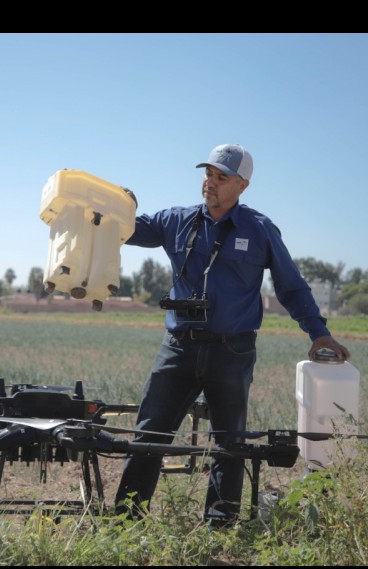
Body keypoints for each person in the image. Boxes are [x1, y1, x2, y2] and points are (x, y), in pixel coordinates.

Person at [114, 143, 350, 528]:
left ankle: (220, 527)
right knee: (148, 437)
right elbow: (123, 229)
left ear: (242, 185)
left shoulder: (260, 230)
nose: (210, 182)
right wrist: (108, 206)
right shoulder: (175, 220)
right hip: (178, 348)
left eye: (221, 177)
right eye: (208, 174)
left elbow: (291, 287)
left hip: (232, 351)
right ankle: (126, 522)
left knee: (229, 444)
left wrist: (319, 334)